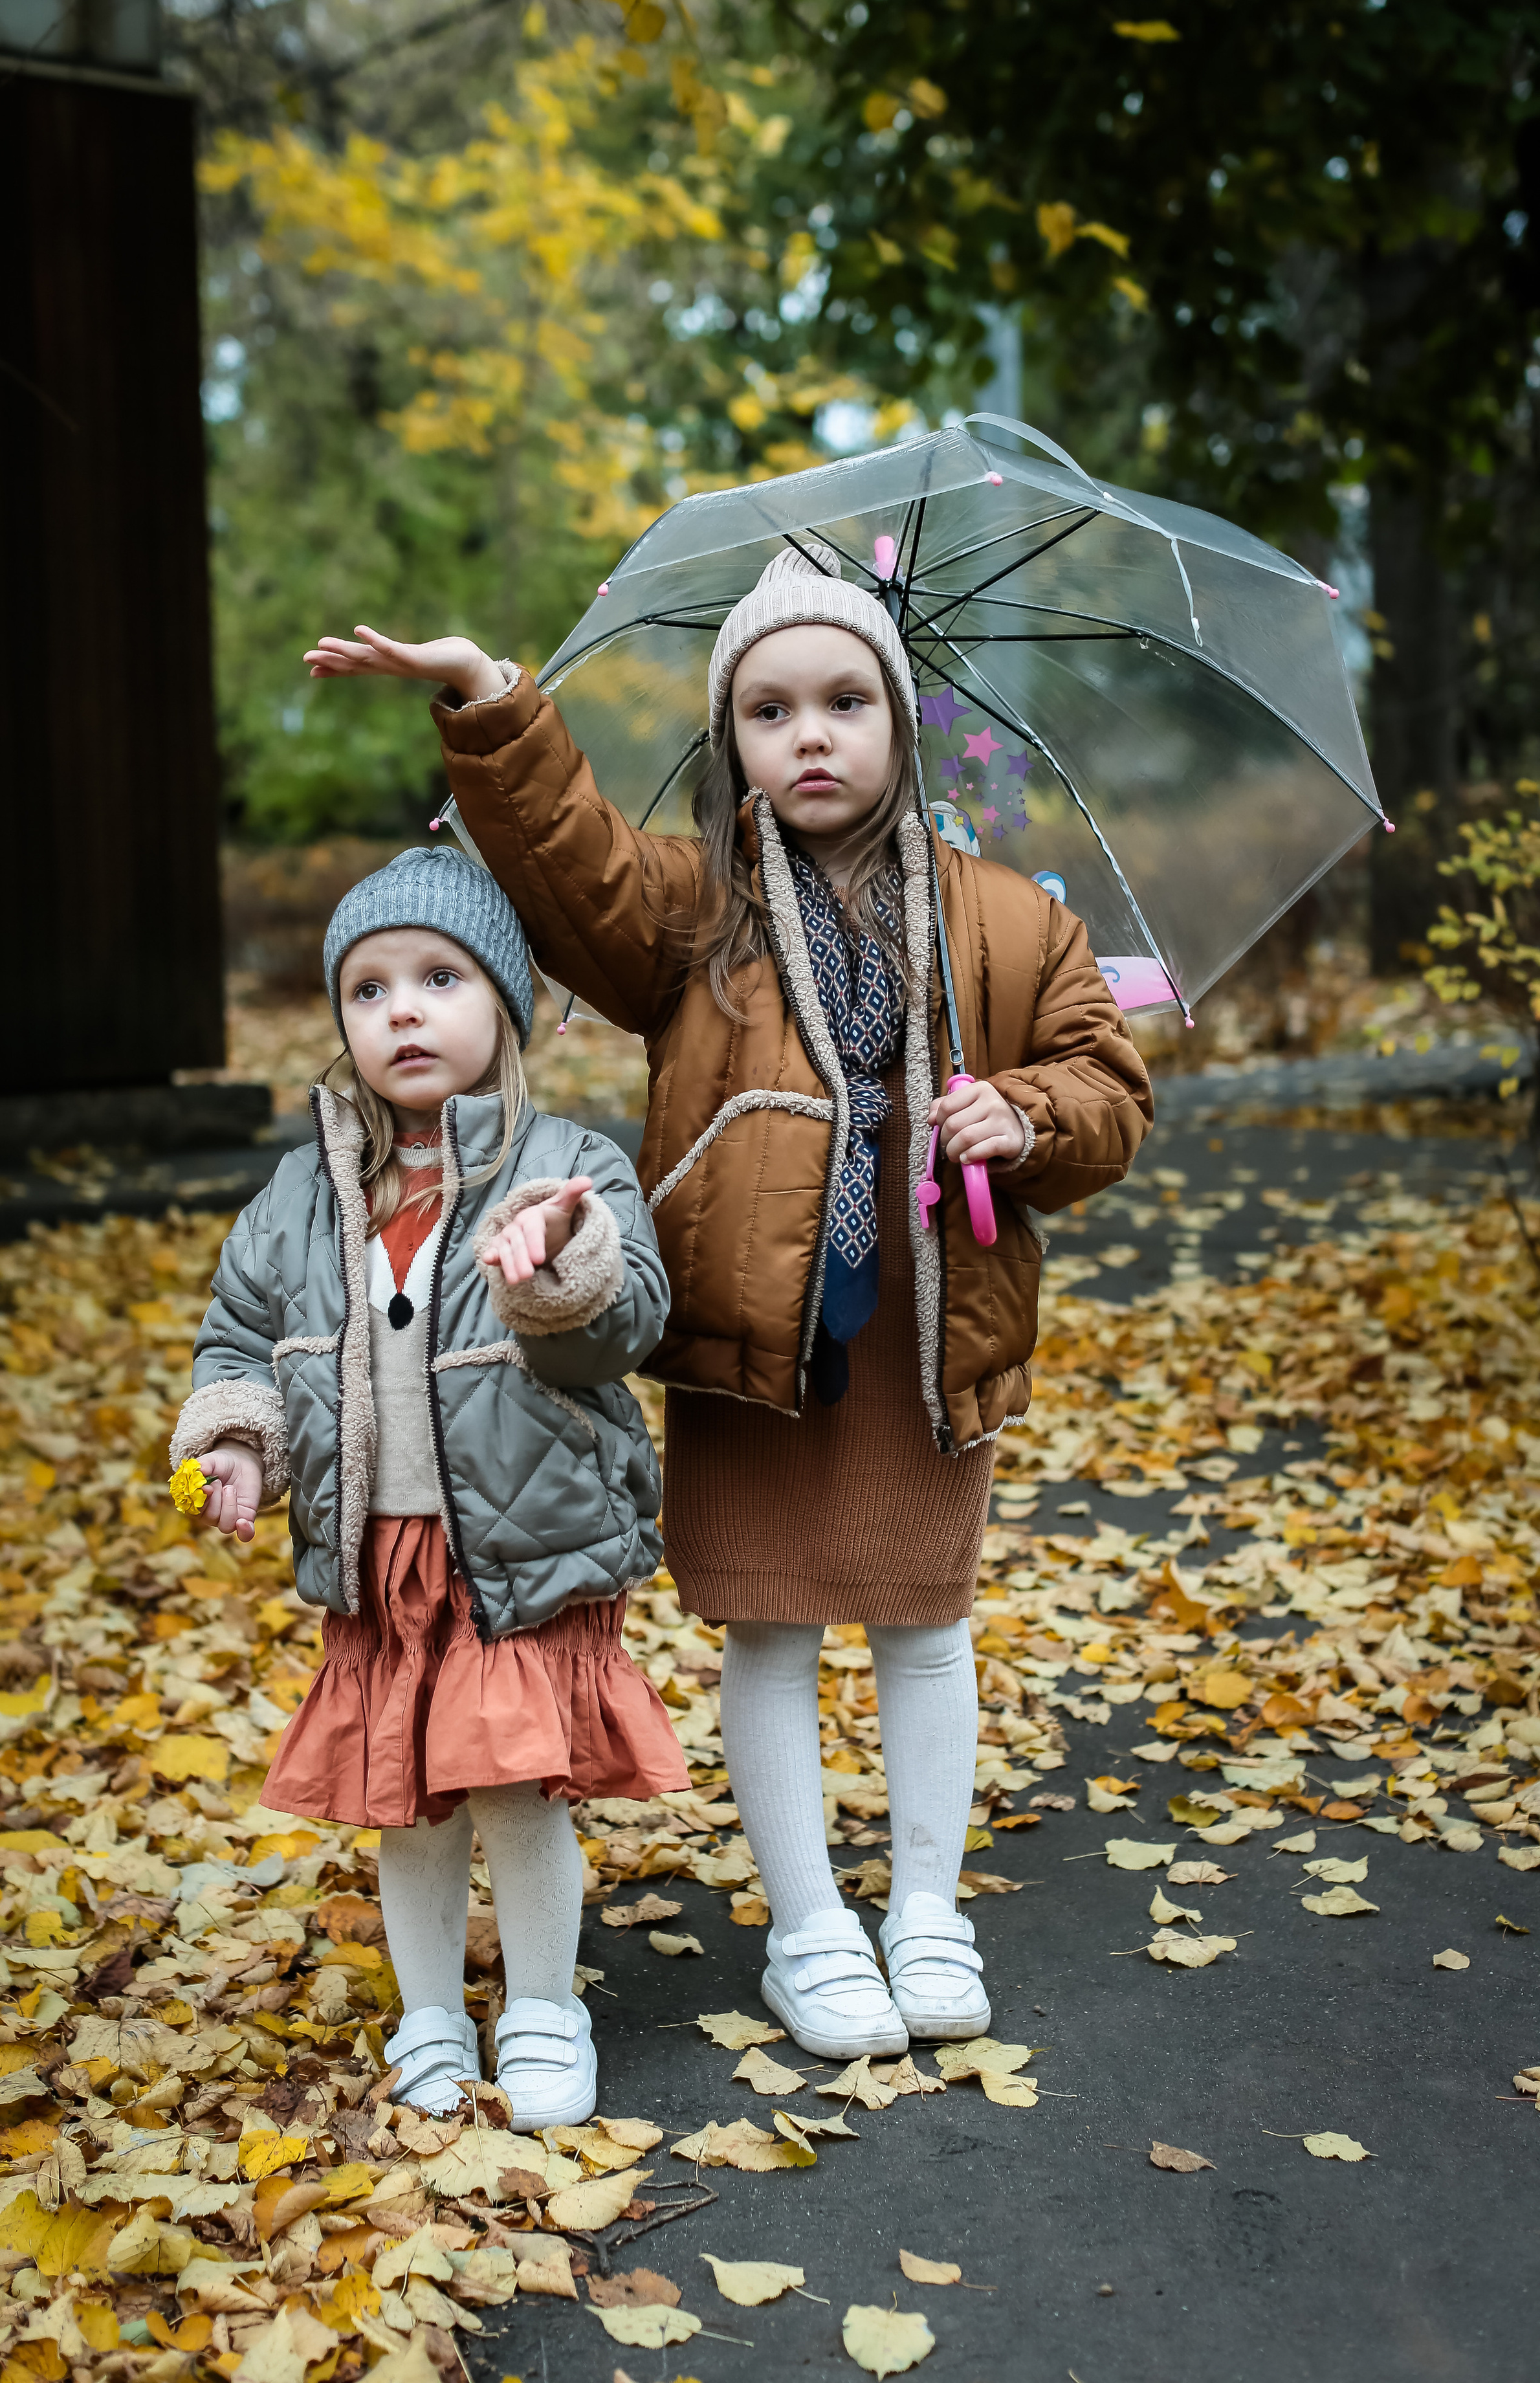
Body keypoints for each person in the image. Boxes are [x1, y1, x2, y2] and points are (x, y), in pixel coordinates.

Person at [302, 544, 1152, 2057]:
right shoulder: (691, 917)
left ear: (898, 720)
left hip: (920, 1335)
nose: (807, 734)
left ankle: (925, 1910)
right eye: (766, 710)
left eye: (841, 700)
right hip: (752, 1337)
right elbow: (568, 861)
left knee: (922, 1627)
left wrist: (1024, 1112)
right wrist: (489, 701)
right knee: (765, 1629)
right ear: (732, 741)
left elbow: (1107, 1080)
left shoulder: (1008, 919)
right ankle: (810, 1925)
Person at [169, 848, 686, 2129]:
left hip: (517, 1553)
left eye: (438, 978)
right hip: (380, 1557)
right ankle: (431, 2018)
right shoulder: (298, 1198)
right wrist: (237, 1438)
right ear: (341, 1022)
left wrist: (551, 1274)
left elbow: (624, 1324)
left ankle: (549, 2013)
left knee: (511, 1787)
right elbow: (238, 1337)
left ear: (502, 1005)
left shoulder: (564, 1166)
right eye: (368, 988)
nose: (402, 1009)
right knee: (404, 1803)